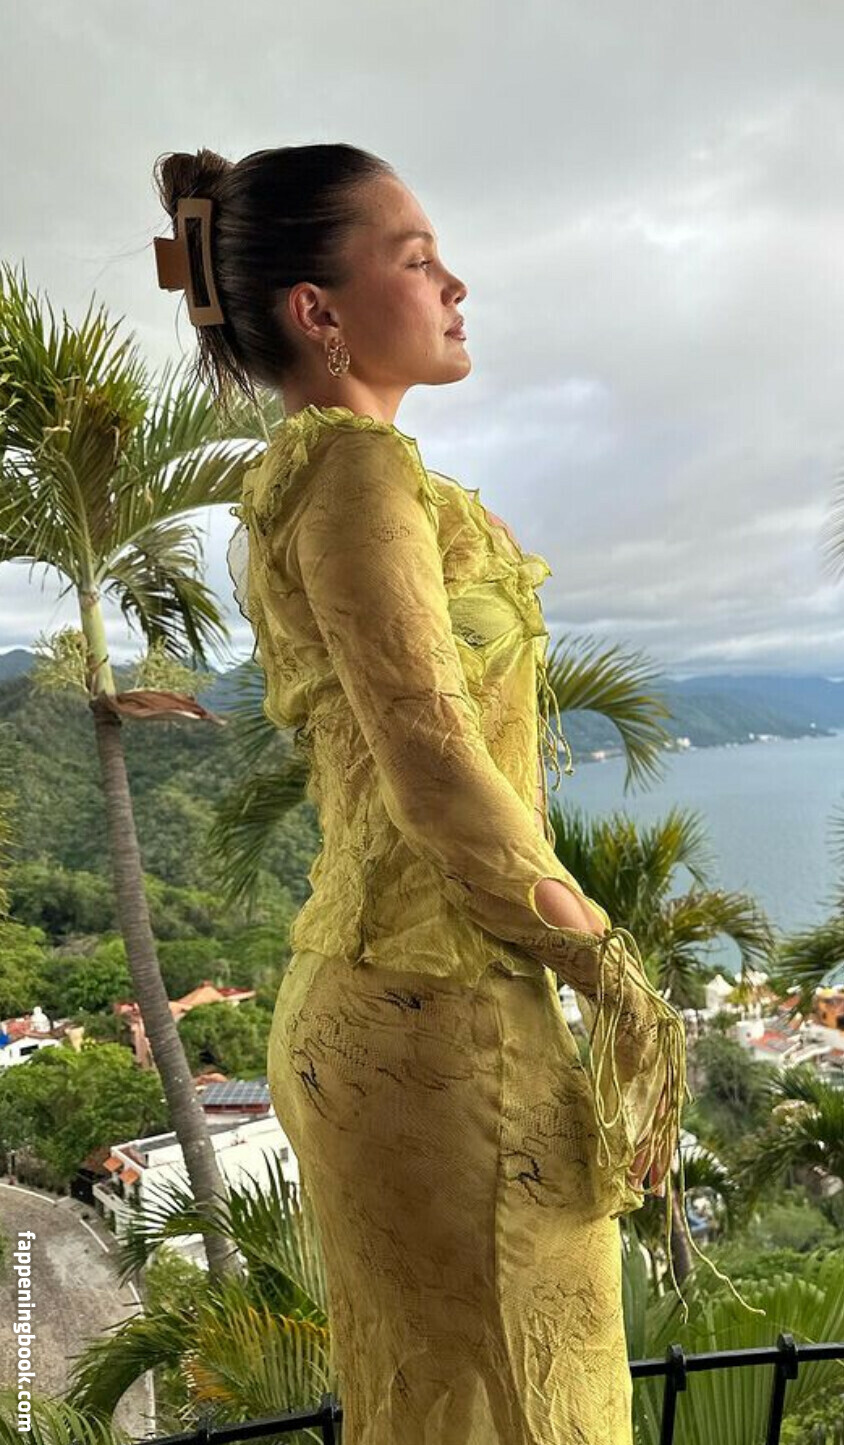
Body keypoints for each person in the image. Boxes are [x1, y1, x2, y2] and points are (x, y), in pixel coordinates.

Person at [153, 142, 765, 1445]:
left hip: (393, 996)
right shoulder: (354, 471)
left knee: (445, 1395)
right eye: (418, 257)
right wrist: (612, 974)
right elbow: (434, 762)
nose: (456, 283)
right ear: (317, 309)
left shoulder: (306, 478)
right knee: (526, 1403)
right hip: (439, 1011)